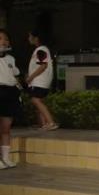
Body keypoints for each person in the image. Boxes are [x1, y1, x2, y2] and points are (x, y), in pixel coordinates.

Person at [25, 29, 58, 131]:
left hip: (40, 82)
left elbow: (43, 66)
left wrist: (30, 77)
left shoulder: (41, 50)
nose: (28, 38)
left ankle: (51, 122)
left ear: (36, 38)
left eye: (30, 36)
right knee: (39, 102)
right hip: (42, 82)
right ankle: (44, 124)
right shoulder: (41, 50)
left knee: (35, 100)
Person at [0, 30, 21, 169]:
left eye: (6, 39)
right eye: (0, 38)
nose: (4, 41)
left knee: (6, 128)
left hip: (10, 92)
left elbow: (15, 75)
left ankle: (6, 158)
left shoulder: (11, 59)